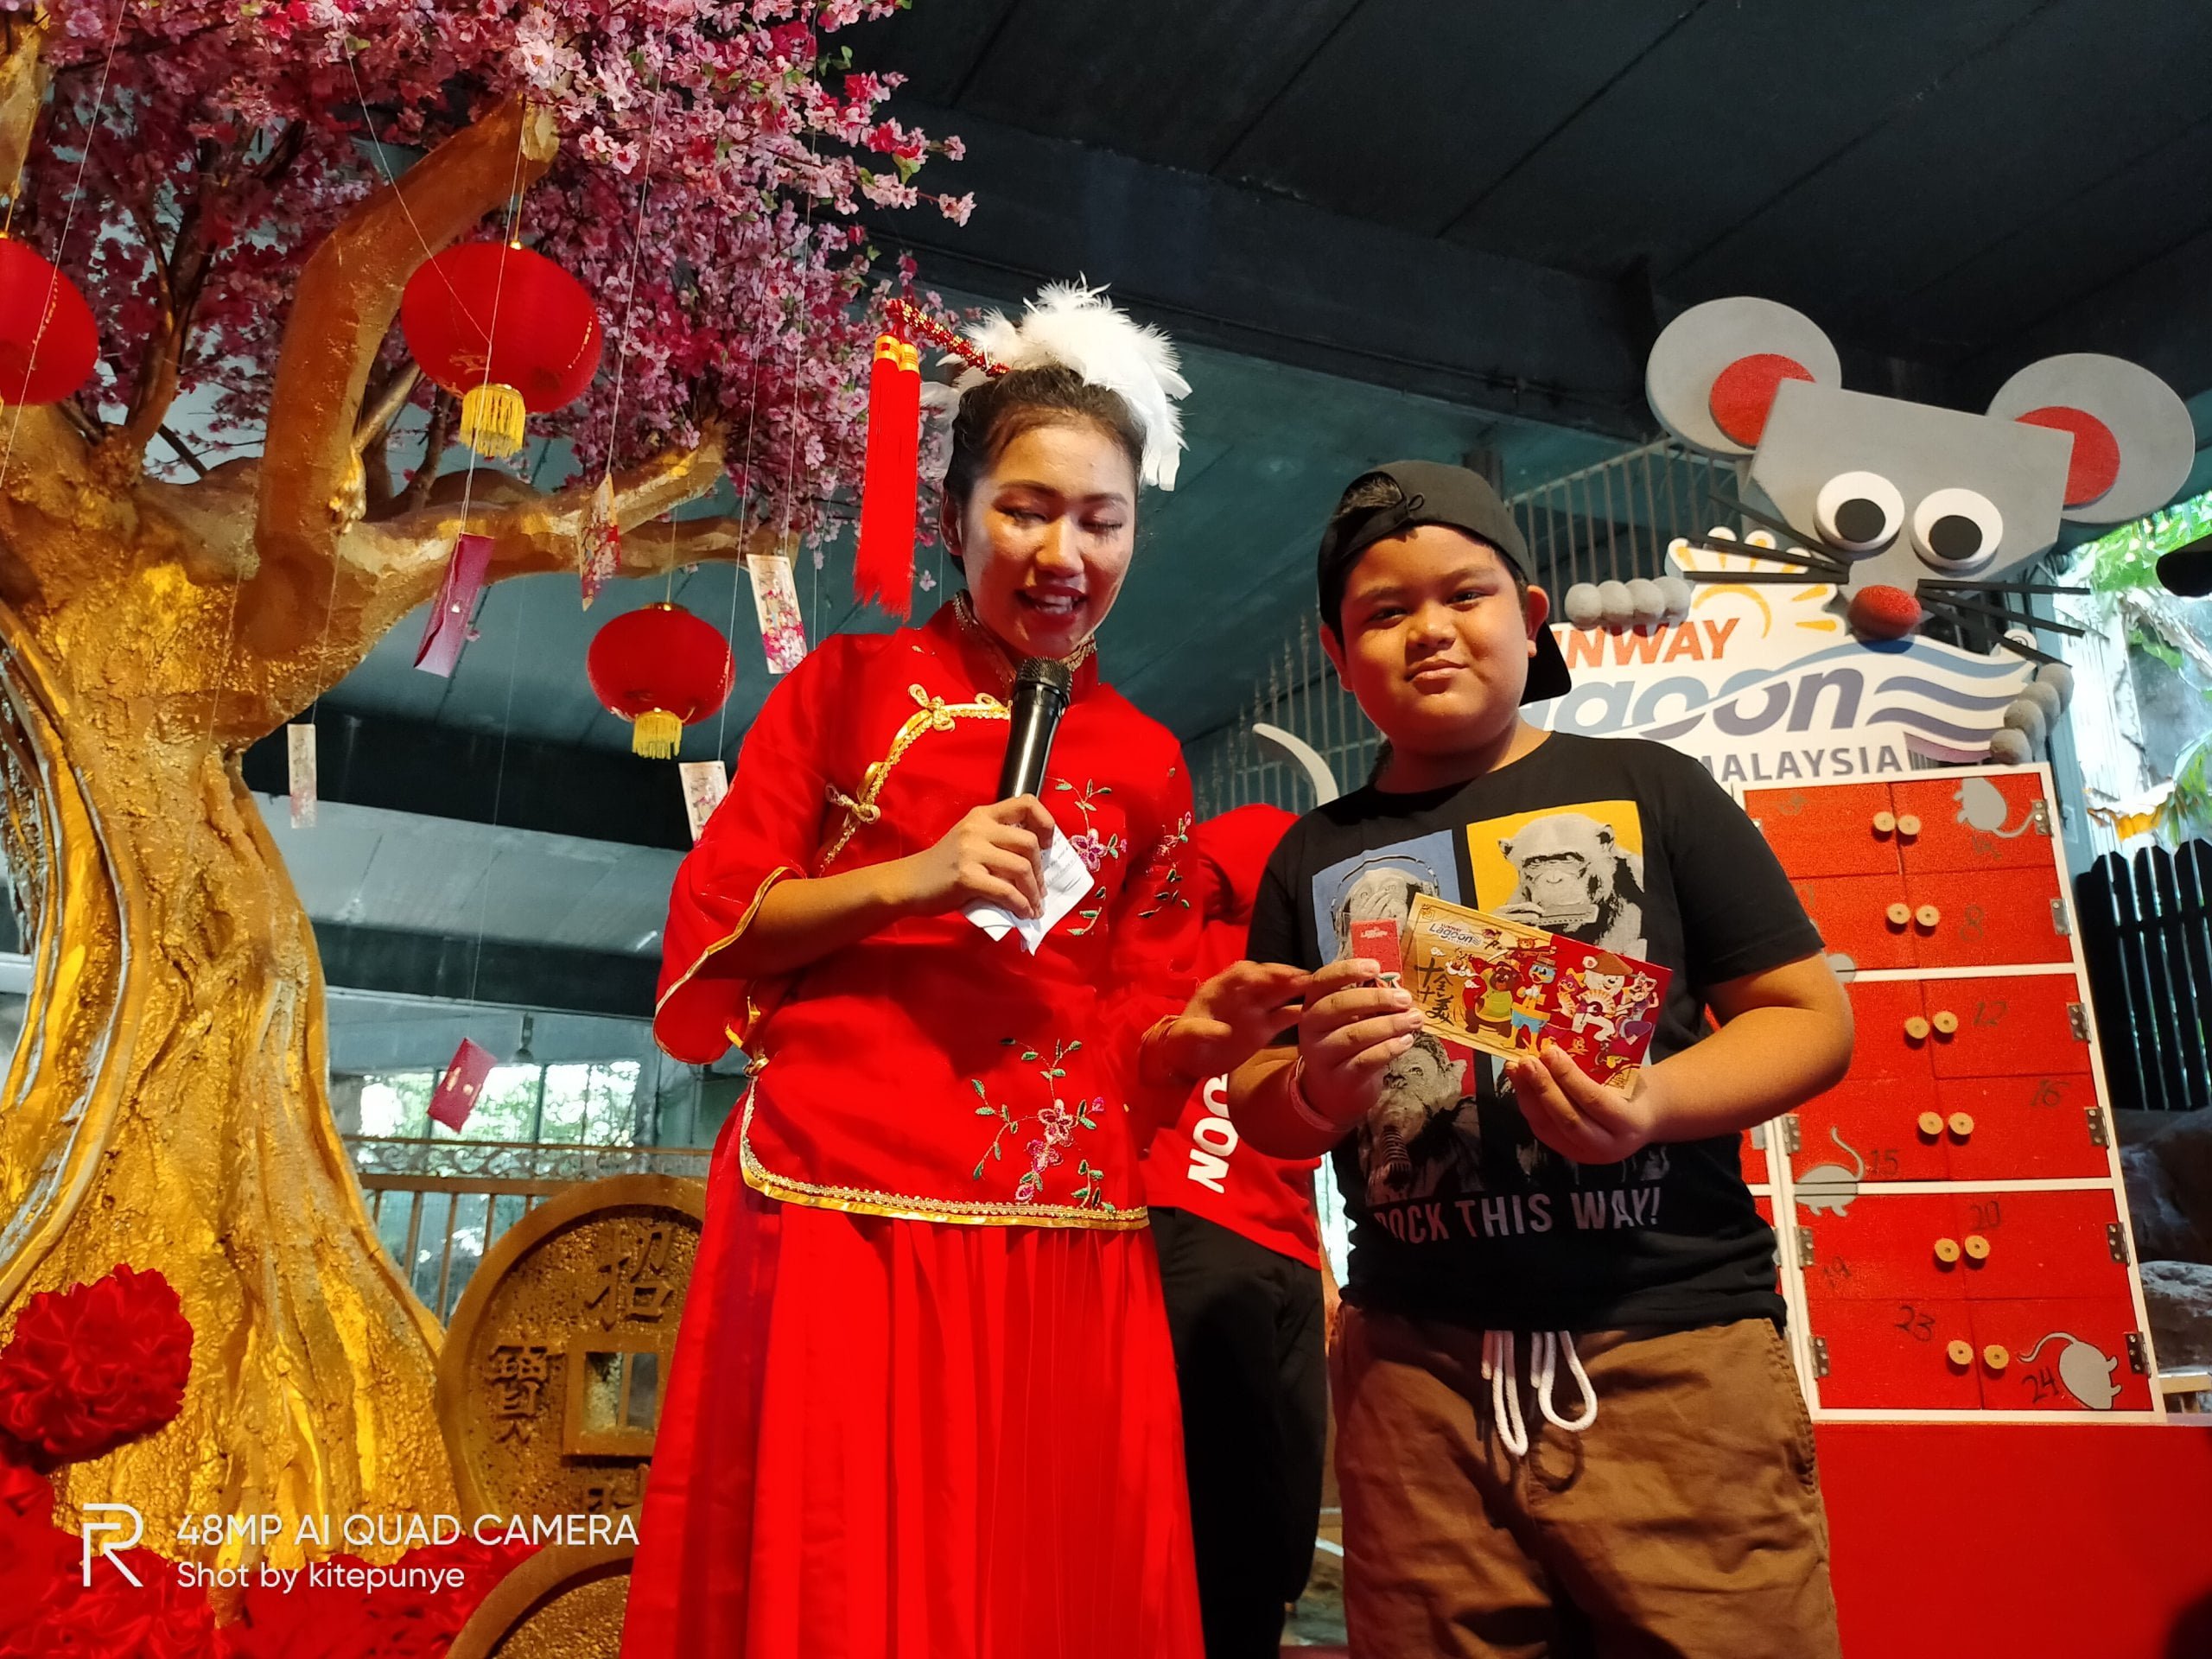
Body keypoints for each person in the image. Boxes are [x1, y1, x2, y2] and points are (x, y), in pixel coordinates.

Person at [621, 286, 1304, 1659]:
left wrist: (1203, 1032)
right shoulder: (847, 687)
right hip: (843, 1196)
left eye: (1101, 521)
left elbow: (1132, 1035)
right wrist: (915, 878)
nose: (1063, 552)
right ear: (954, 518)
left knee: (1043, 1583)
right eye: (1026, 511)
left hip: (1060, 1220)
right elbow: (716, 926)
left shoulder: (1150, 762)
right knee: (843, 1577)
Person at [1228, 460, 1856, 1659]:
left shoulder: (1652, 789)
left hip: (1668, 1349)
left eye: (1463, 595)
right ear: (1337, 653)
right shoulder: (1310, 857)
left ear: (1529, 616)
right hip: (1412, 1379)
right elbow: (1257, 1095)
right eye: (1383, 612)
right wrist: (1314, 1088)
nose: (1428, 630)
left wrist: (1654, 1101)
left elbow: (1807, 1017)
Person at [1141, 804, 1329, 1659]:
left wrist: (1323, 1266)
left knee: (1276, 1521)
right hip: (1194, 1207)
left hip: (1282, 1236)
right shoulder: (1272, 843)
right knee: (1210, 1521)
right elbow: (1159, 892)